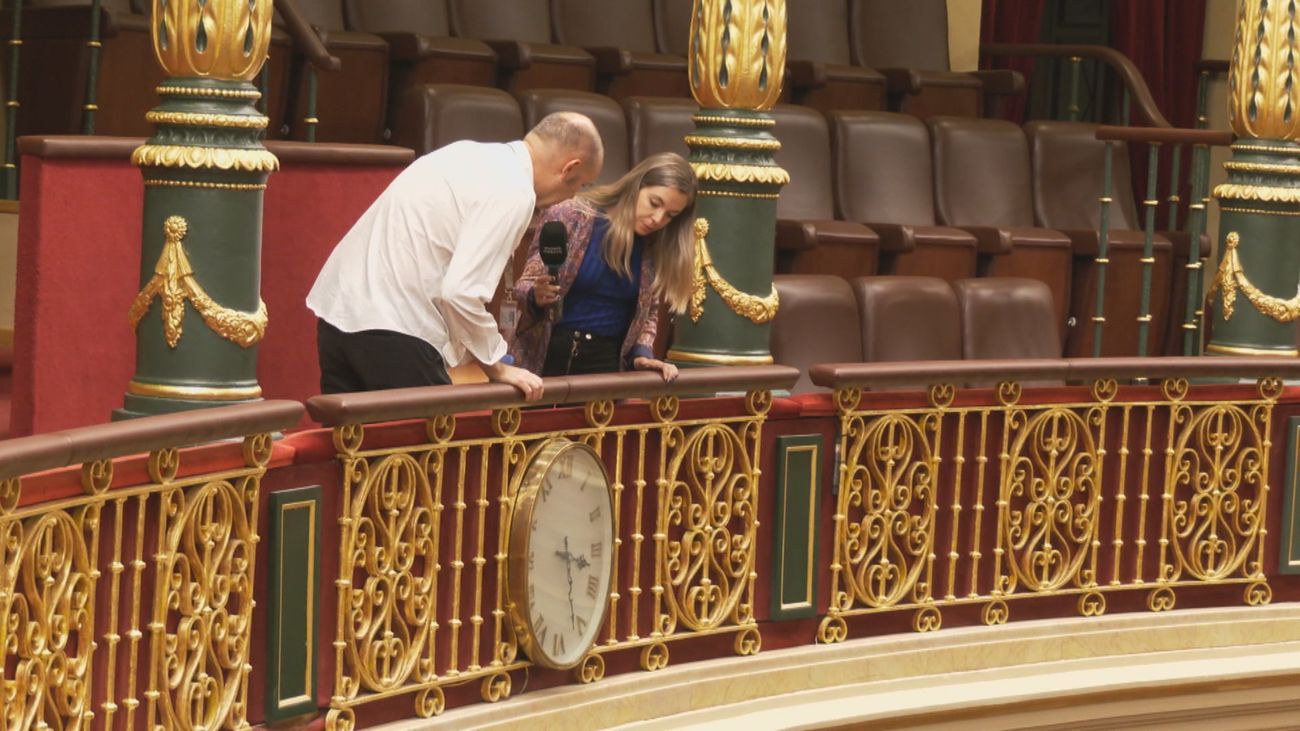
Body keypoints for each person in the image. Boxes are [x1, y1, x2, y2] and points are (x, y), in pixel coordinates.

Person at [306, 112, 604, 400]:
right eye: (581, 184)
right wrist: (497, 364)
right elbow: (460, 293)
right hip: (394, 327)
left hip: (338, 318)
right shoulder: (514, 189)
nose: (574, 196)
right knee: (429, 450)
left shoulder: (465, 153)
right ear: (569, 168)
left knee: (354, 449)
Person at [508, 152, 696, 380]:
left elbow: (649, 312)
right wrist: (535, 296)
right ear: (636, 186)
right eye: (654, 203)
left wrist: (642, 353)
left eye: (670, 215)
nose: (657, 219)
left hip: (606, 365)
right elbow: (524, 286)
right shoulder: (572, 215)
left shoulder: (654, 244)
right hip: (544, 356)